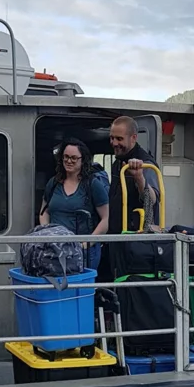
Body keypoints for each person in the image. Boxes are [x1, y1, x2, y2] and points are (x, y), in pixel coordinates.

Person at [40, 139, 109, 271]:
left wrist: (87, 243)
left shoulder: (93, 185)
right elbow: (45, 212)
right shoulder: (53, 183)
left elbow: (106, 219)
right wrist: (47, 234)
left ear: (83, 160)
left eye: (73, 158)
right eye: (66, 157)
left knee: (80, 290)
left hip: (84, 252)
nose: (69, 161)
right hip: (55, 250)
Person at [108, 116, 162, 235]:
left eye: (119, 138)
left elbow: (152, 200)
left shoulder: (146, 165)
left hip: (137, 238)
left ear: (133, 138)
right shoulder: (117, 163)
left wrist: (139, 178)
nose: (114, 143)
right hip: (117, 235)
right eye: (112, 138)